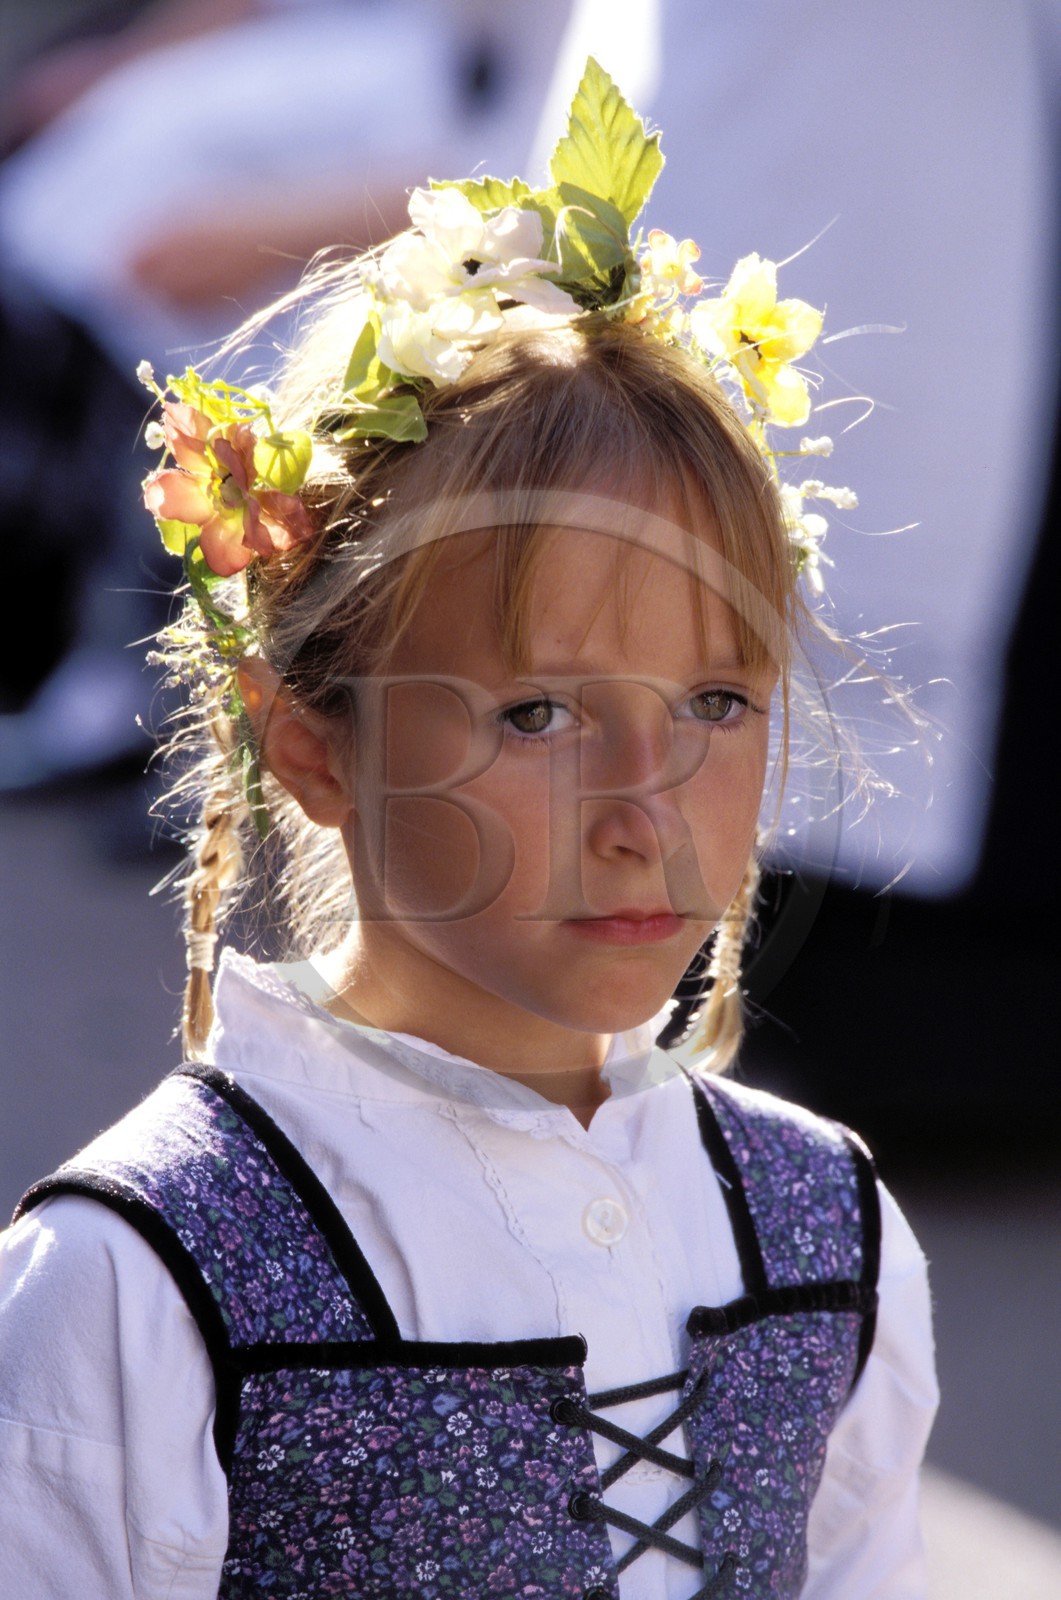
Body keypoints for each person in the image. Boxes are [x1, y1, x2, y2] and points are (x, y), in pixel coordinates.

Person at [0, 61, 937, 1599]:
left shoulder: (821, 1227)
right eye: (536, 716)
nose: (645, 817)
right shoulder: (138, 1280)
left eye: (712, 700)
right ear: (311, 743)